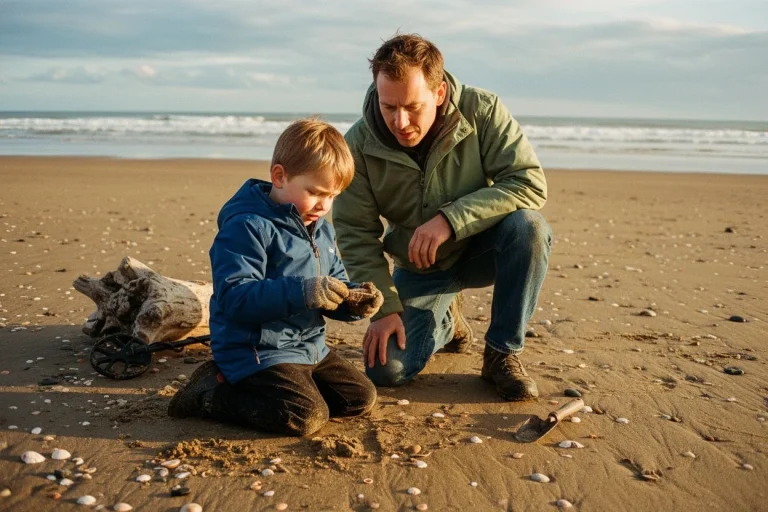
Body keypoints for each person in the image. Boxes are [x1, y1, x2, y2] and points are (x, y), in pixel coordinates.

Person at [333, 34, 552, 401]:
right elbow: (355, 233)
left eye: (412, 107)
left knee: (529, 227)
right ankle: (448, 322)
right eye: (389, 107)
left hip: (485, 249)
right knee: (386, 370)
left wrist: (450, 220)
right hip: (422, 267)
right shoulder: (357, 144)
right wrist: (385, 308)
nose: (400, 122)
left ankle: (502, 353)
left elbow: (529, 182)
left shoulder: (482, 110)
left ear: (438, 92)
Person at [169, 118, 383, 435]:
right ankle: (210, 394)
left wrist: (353, 302)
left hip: (309, 347)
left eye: (333, 195)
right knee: (306, 416)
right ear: (280, 176)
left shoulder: (320, 228)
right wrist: (306, 292)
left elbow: (332, 284)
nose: (324, 205)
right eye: (316, 192)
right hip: (257, 350)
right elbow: (234, 298)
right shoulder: (248, 226)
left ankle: (286, 390)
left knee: (361, 398)